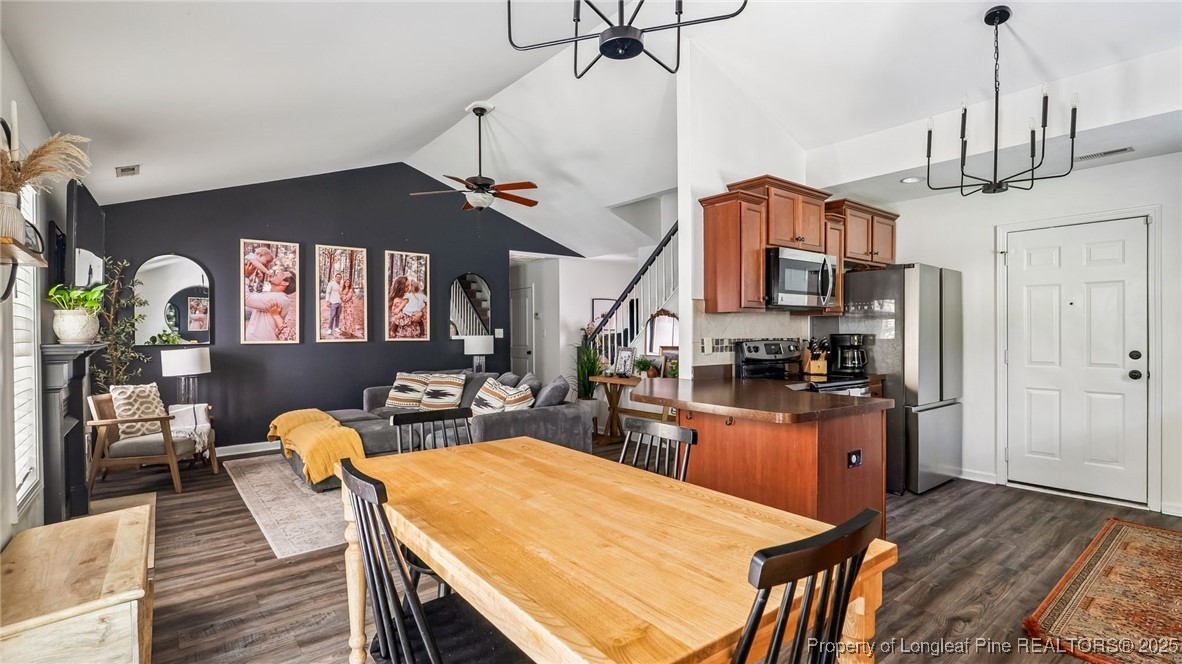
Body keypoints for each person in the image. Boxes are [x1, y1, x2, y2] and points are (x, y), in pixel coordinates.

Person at [244, 268, 297, 342]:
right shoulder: (276, 296)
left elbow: (246, 298)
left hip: (258, 342)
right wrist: (260, 280)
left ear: (285, 283)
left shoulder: (278, 298)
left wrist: (246, 276)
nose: (276, 273)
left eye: (280, 274)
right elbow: (257, 296)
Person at [388, 275, 425, 339]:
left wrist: (420, 313)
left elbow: (419, 306)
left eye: (409, 285)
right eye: (406, 287)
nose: (409, 288)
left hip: (414, 331)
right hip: (401, 333)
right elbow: (393, 313)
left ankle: (422, 333)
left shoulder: (412, 296)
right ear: (400, 288)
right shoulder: (396, 300)